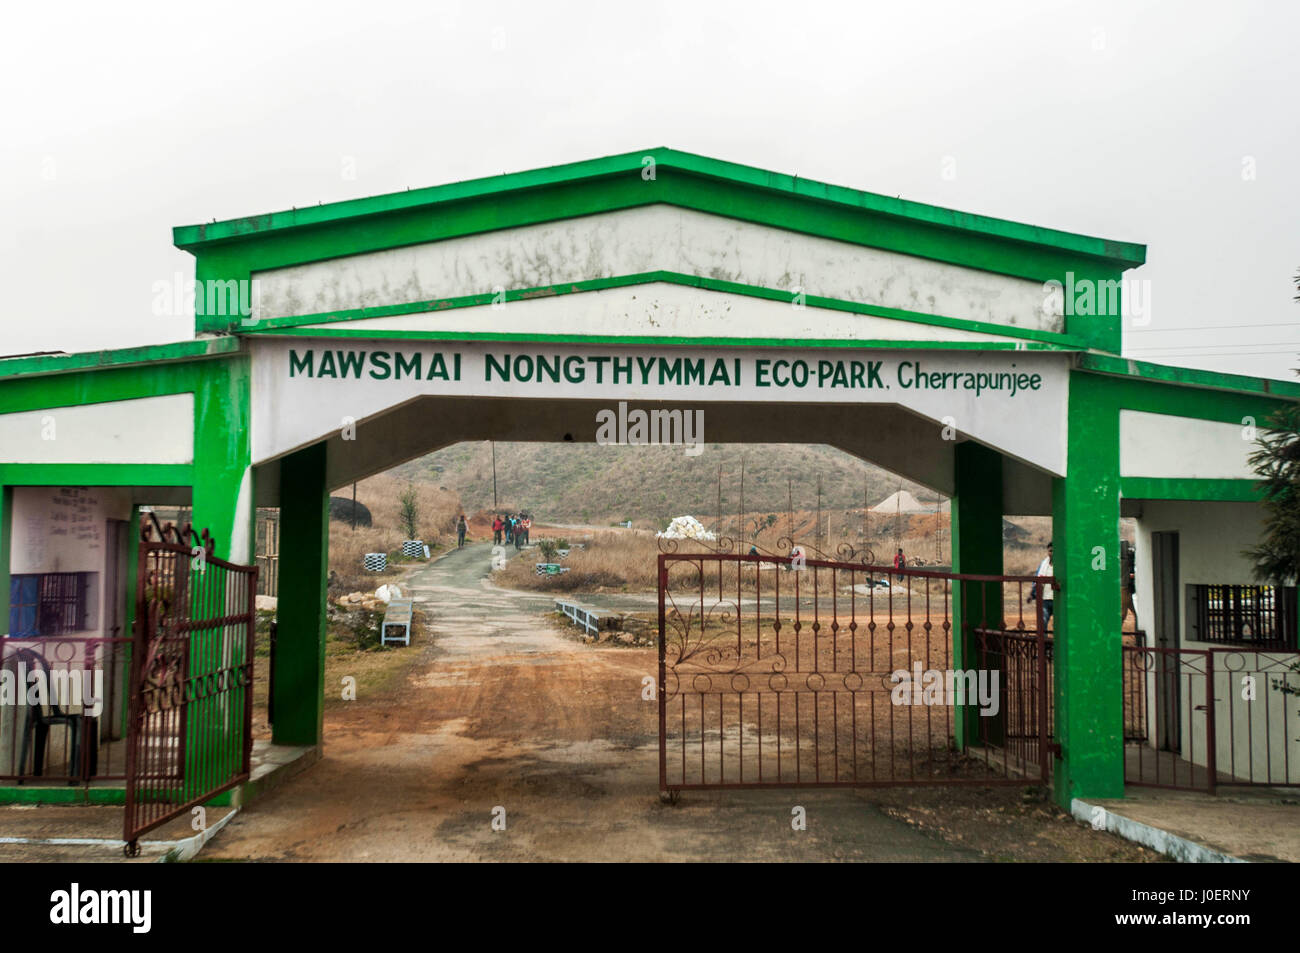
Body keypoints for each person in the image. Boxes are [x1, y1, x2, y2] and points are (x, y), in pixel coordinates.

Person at [1026, 542, 1054, 631]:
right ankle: (1045, 643)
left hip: (1058, 599)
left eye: (1054, 551)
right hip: (1045, 599)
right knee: (1042, 622)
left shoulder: (1062, 565)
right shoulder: (1043, 564)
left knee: (1058, 625)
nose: (1052, 553)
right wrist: (1032, 594)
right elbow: (1037, 580)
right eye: (1050, 551)